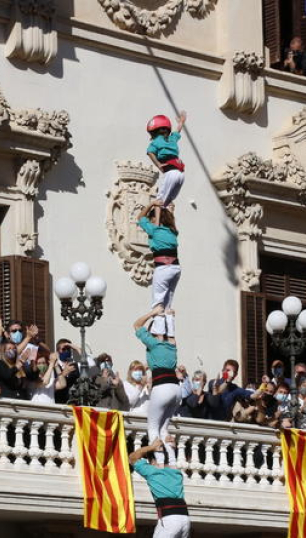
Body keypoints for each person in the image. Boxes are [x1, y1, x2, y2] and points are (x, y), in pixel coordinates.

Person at [134, 306, 180, 464]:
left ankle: (160, 462)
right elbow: (171, 333)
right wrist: (169, 317)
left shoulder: (154, 344)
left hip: (162, 387)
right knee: (163, 429)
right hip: (176, 389)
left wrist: (153, 313)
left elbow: (136, 325)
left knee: (153, 427)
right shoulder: (171, 344)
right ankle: (172, 462)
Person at [137, 201, 181, 337]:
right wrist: (169, 211)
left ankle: (159, 334)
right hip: (175, 268)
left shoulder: (154, 230)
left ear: (155, 219)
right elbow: (170, 221)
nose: (150, 222)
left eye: (152, 219)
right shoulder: (173, 231)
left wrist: (151, 204)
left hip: (163, 268)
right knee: (167, 304)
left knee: (158, 304)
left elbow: (140, 217)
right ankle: (170, 334)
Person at [145, 111, 187, 208]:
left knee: (160, 199)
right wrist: (181, 122)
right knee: (169, 200)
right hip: (180, 174)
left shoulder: (156, 141)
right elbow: (177, 131)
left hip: (170, 172)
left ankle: (158, 216)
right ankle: (166, 213)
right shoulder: (172, 139)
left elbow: (150, 152)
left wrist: (158, 164)